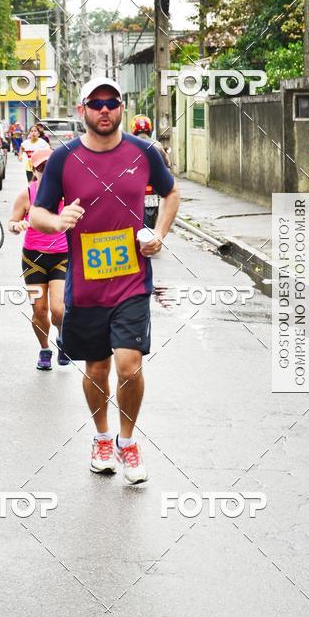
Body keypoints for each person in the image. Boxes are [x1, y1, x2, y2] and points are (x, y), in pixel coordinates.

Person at [30, 76, 180, 484]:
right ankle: (101, 437)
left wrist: (159, 235)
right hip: (86, 283)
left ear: (121, 108)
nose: (104, 110)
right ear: (83, 111)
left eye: (111, 102)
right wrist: (59, 220)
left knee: (129, 367)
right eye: (95, 103)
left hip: (132, 281)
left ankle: (127, 442)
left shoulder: (144, 151)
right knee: (96, 370)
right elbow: (37, 213)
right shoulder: (63, 159)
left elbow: (171, 194)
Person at [9, 147, 70, 370]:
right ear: (34, 171)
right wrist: (17, 225)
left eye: (50, 168)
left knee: (59, 310)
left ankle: (62, 337)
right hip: (33, 259)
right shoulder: (27, 194)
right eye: (41, 168)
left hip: (61, 257)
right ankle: (45, 349)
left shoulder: (68, 193)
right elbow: (12, 223)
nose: (45, 172)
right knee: (39, 310)